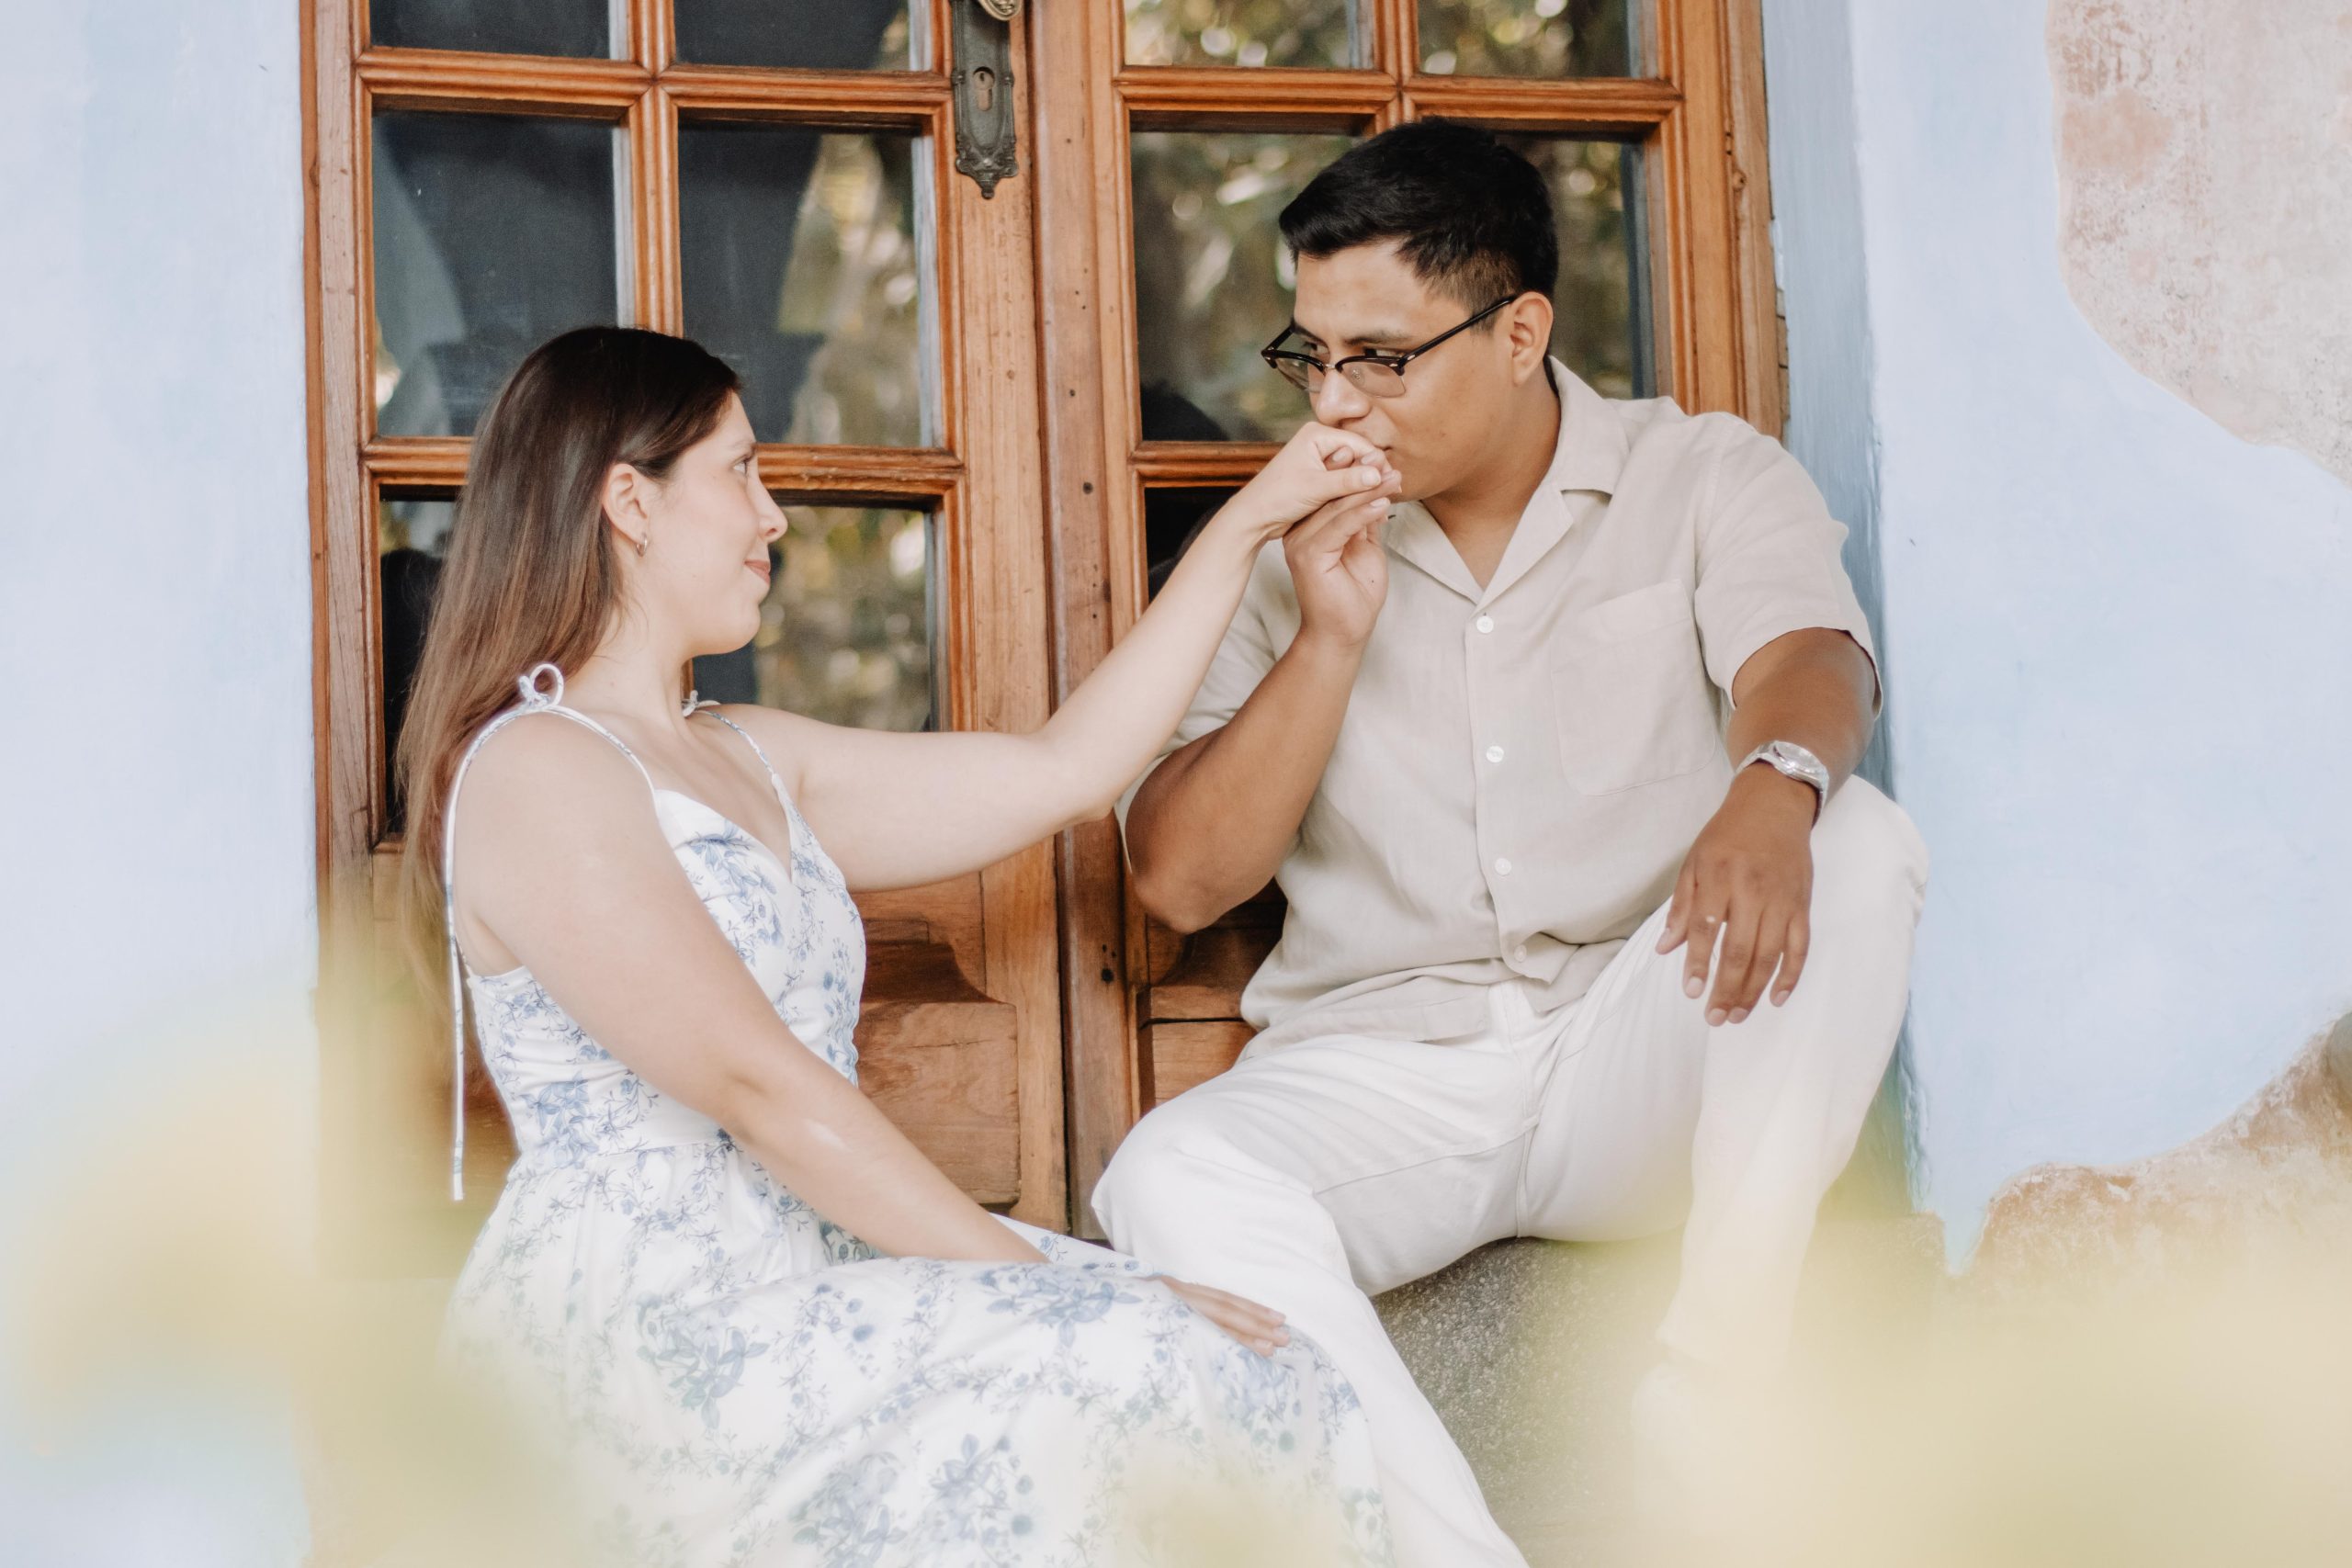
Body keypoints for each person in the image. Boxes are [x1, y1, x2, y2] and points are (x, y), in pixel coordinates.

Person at [398, 326, 1406, 1565]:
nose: (774, 516)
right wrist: (1060, 1285)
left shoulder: (751, 752)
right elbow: (758, 1086)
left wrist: (1251, 522)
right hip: (652, 1327)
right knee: (1147, 1357)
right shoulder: (537, 768)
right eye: (741, 471)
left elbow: (1071, 769)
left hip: (807, 1277)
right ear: (630, 502)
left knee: (1265, 1360)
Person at [1096, 122, 1929, 1566]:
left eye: (1381, 358)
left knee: (1857, 839)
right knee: (1166, 1178)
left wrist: (1773, 784)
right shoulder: (1283, 546)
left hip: (1639, 1041)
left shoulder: (1697, 472)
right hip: (1384, 1074)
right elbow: (1179, 879)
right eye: (1312, 357)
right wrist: (1325, 640)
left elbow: (1810, 657)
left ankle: (1713, 1400)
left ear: (1520, 331)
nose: (1336, 402)